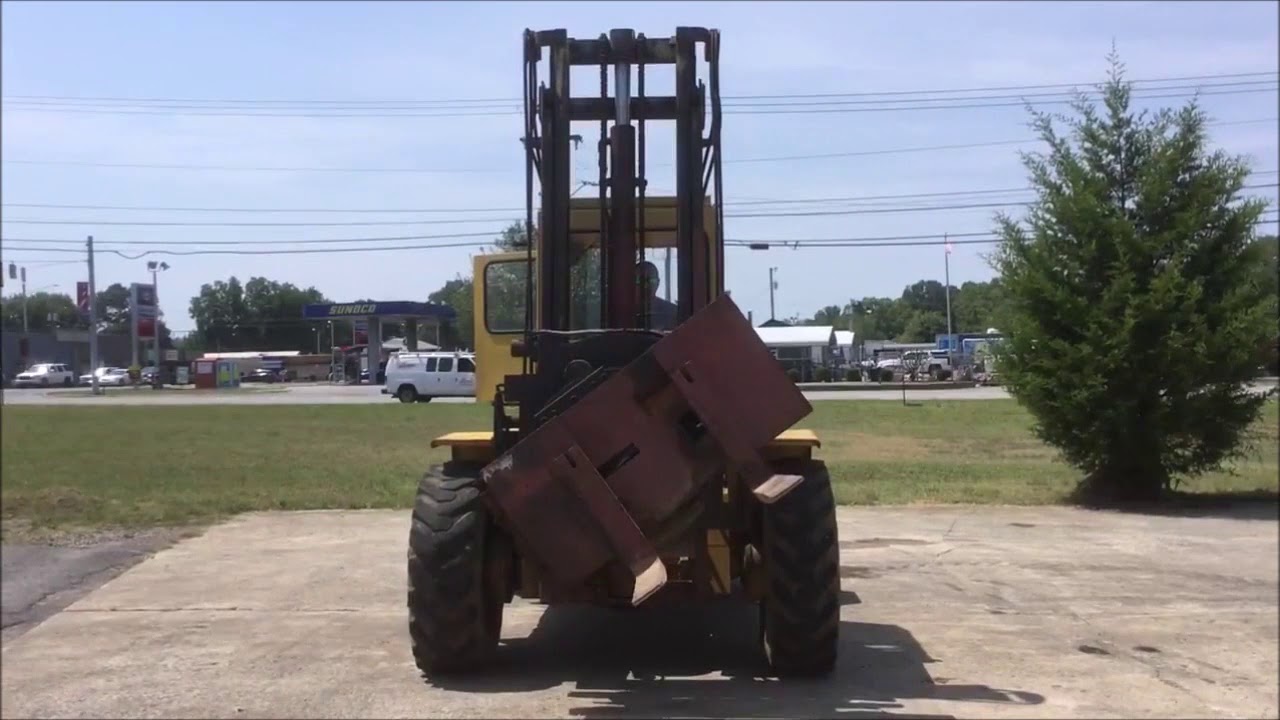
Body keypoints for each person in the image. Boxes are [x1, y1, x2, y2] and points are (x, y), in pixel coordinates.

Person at [636, 260, 678, 331]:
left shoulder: (673, 312)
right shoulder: (621, 312)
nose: (645, 286)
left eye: (651, 280)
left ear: (658, 283)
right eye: (639, 281)